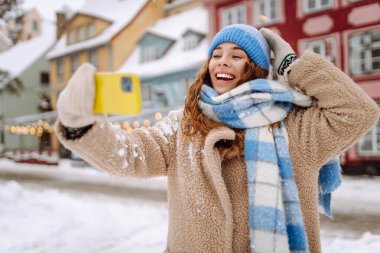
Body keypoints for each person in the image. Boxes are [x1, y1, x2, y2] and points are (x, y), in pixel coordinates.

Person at [55, 24, 380, 253]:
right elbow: (130, 154)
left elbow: (357, 110)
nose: (223, 60)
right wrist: (82, 128)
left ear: (256, 68)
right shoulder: (185, 126)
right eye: (217, 53)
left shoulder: (296, 128)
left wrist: (291, 65)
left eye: (237, 55)